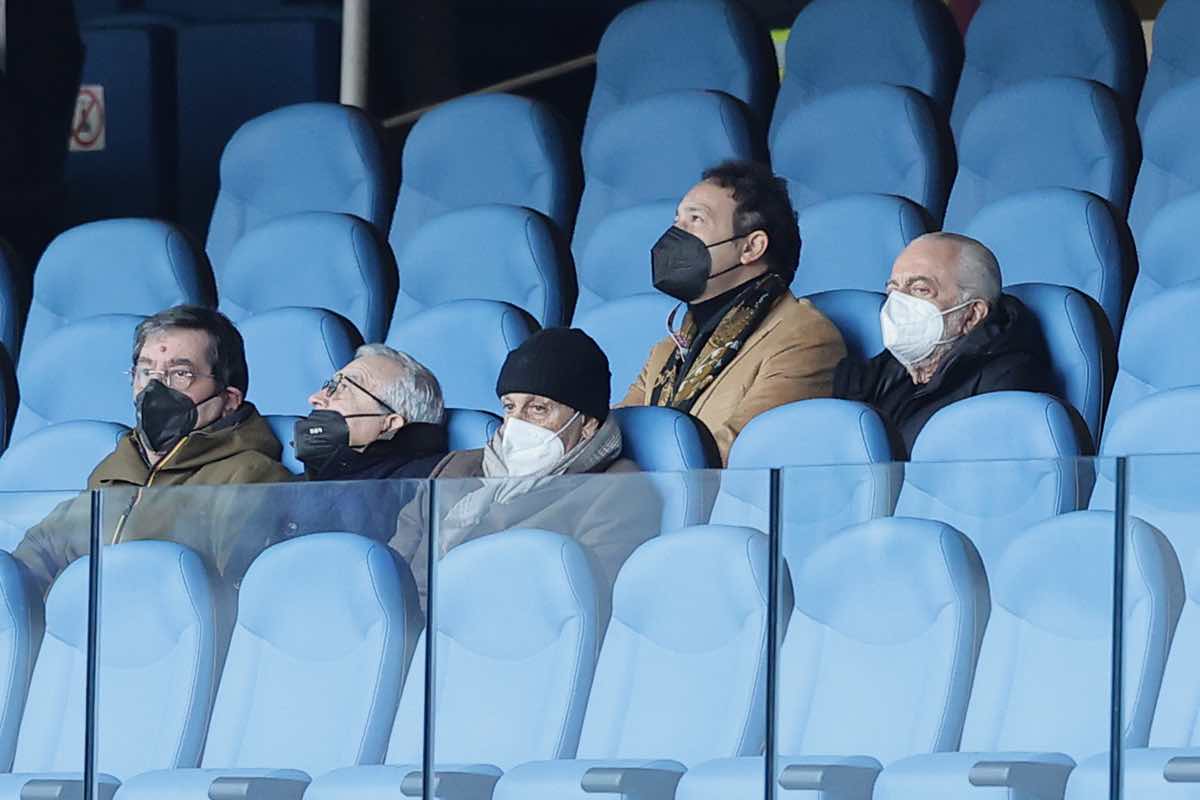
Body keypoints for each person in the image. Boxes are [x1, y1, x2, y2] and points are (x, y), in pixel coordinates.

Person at [13, 305, 293, 592]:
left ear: (229, 399)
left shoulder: (251, 479)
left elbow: (235, 599)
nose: (154, 388)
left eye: (180, 373)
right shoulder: (117, 468)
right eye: (146, 372)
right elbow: (38, 554)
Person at [392, 328, 662, 603]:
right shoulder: (456, 468)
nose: (516, 424)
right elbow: (392, 570)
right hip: (412, 631)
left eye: (538, 409)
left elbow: (581, 602)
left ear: (587, 424)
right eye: (510, 407)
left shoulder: (618, 490)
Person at [621, 159, 846, 464]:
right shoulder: (666, 351)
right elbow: (611, 439)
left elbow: (737, 457)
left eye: (696, 219)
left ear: (751, 247)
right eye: (677, 221)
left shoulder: (804, 338)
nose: (675, 234)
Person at [834, 232, 1055, 457]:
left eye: (920, 290)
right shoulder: (890, 370)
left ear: (972, 315)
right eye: (893, 290)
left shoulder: (1007, 381)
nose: (897, 305)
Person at [294, 344, 447, 481]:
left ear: (391, 423)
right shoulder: (294, 489)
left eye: (343, 388)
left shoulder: (437, 485)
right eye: (330, 385)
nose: (314, 398)